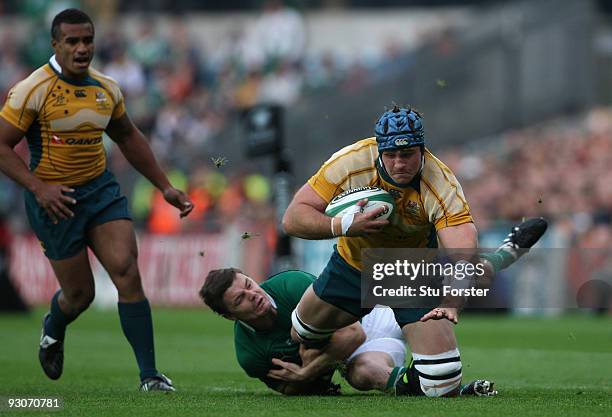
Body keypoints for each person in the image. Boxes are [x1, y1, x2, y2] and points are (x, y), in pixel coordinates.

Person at [282, 105, 547, 397]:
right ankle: (503, 255)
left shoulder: (441, 184)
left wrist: (450, 303)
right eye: (391, 155)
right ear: (378, 151)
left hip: (409, 270)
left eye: (407, 154)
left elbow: (462, 257)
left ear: (422, 150)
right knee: (302, 332)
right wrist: (345, 224)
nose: (399, 163)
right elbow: (292, 218)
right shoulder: (350, 162)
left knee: (441, 380)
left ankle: (506, 253)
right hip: (354, 264)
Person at [0, 9, 194, 392]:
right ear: (55, 44)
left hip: (100, 192)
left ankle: (150, 376)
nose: (82, 48)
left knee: (127, 271)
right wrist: (39, 188)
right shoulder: (31, 89)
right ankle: (54, 326)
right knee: (80, 295)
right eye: (72, 41)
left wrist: (164, 186)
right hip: (55, 201)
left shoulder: (106, 88)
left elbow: (128, 136)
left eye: (87, 40)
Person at [199, 268, 498, 396]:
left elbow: (353, 334)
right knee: (362, 374)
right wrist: (303, 382)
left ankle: (486, 265)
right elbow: (285, 388)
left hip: (373, 315)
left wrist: (307, 372)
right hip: (359, 350)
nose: (254, 294)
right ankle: (452, 389)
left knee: (437, 304)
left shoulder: (290, 285)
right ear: (229, 316)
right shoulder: (249, 353)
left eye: (249, 284)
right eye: (240, 299)